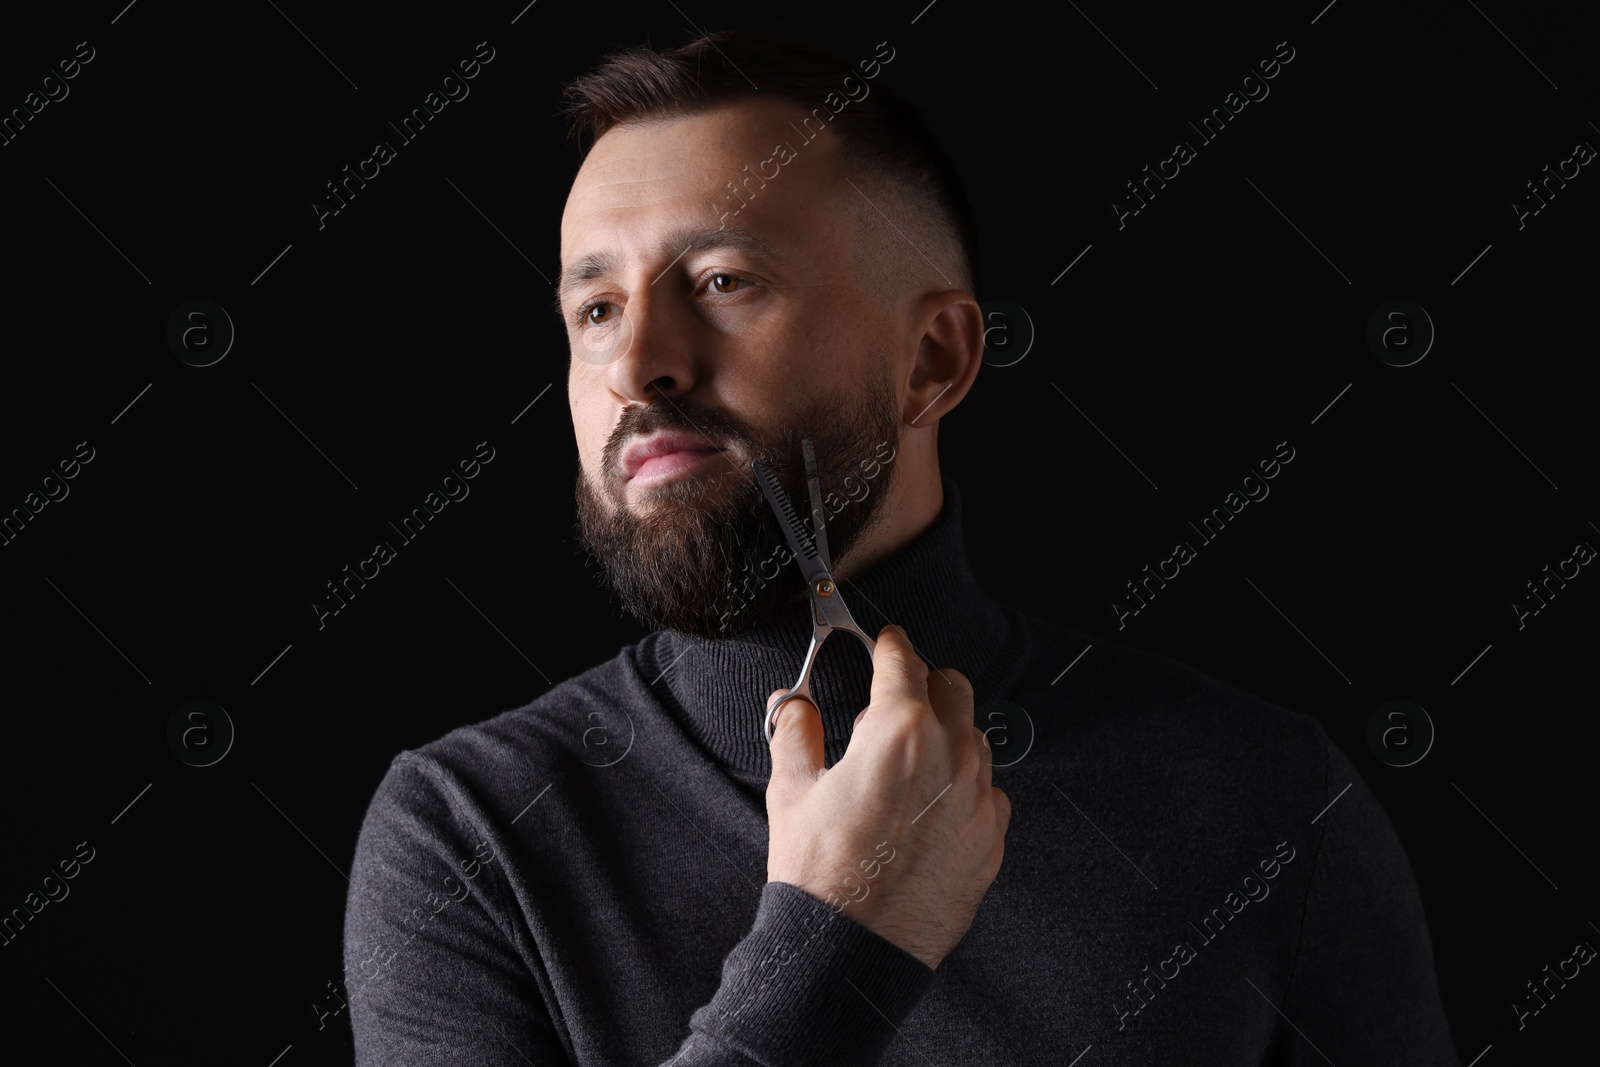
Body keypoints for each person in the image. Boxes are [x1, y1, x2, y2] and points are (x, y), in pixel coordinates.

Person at [343, 29, 1461, 1065]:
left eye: (722, 282)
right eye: (594, 309)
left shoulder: (1263, 799)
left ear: (932, 359)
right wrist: (839, 939)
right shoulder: (469, 832)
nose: (638, 365)